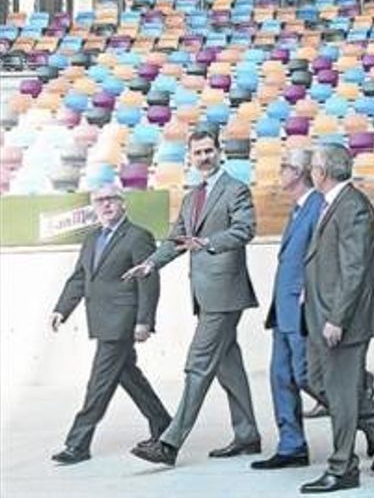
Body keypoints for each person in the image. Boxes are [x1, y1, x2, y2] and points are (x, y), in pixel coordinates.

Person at [127, 129, 261, 466]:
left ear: (219, 152)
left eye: (208, 150)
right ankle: (247, 436)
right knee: (228, 367)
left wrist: (208, 242)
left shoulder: (236, 190)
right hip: (205, 296)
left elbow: (245, 230)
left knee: (198, 365)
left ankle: (169, 443)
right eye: (198, 152)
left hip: (226, 294)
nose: (204, 157)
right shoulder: (191, 197)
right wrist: (149, 265)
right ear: (190, 157)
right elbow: (176, 240)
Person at [299, 144, 374, 493]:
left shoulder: (353, 207)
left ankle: (343, 467)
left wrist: (338, 318)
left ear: (325, 171)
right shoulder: (332, 204)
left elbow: (354, 268)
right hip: (320, 312)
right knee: (312, 377)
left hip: (341, 318)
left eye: (313, 166)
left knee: (342, 393)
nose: (310, 171)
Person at [49, 184, 172, 465]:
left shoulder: (138, 236)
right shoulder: (91, 239)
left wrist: (144, 321)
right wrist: (61, 309)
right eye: (99, 201)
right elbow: (80, 277)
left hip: (122, 322)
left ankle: (77, 444)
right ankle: (165, 426)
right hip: (101, 320)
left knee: (99, 384)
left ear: (123, 203)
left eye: (111, 200)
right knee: (129, 377)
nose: (105, 205)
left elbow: (148, 281)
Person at [252, 149, 324, 471]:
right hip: (282, 311)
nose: (280, 172)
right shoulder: (296, 210)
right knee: (281, 377)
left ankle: (373, 416)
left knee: (306, 376)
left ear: (301, 172)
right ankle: (292, 445)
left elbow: (320, 258)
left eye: (285, 167)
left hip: (301, 309)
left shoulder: (317, 207)